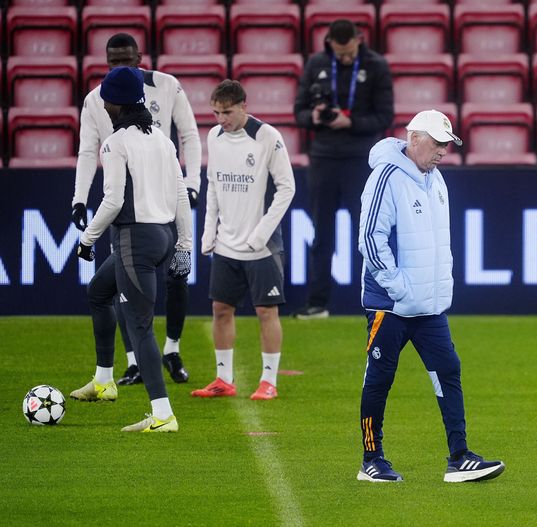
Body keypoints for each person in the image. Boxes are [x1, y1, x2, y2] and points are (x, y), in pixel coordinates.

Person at [356, 110, 505, 482]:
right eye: (438, 143)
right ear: (415, 138)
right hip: (389, 306)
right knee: (379, 379)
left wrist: (434, 291)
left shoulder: (436, 180)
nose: (443, 151)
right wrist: (398, 287)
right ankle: (371, 459)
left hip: (429, 306)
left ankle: (459, 456)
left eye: (447, 144)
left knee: (448, 371)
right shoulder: (385, 177)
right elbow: (370, 241)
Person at [71, 32, 201, 385]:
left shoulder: (121, 136)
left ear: (139, 56)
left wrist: (86, 239)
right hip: (160, 225)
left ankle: (161, 405)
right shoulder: (157, 137)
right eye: (114, 61)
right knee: (101, 291)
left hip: (136, 228)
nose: (121, 65)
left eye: (126, 59)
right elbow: (87, 151)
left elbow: (113, 199)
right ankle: (108, 376)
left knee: (140, 317)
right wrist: (78, 197)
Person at [191, 80, 296, 400]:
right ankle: (223, 379)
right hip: (226, 244)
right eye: (216, 113)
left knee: (266, 312)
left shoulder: (267, 137)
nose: (221, 119)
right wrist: (209, 233)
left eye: (227, 112)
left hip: (261, 246)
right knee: (220, 309)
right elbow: (213, 186)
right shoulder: (214, 137)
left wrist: (261, 233)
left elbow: (287, 188)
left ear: (244, 107)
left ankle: (269, 381)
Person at [293, 18, 393, 320]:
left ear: (358, 40)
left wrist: (351, 122)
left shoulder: (376, 66)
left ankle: (378, 301)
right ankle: (318, 304)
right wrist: (316, 116)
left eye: (348, 53)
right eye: (340, 54)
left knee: (368, 233)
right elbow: (299, 112)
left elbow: (384, 116)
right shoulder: (317, 63)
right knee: (322, 234)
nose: (344, 58)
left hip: (361, 159)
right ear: (330, 44)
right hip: (323, 158)